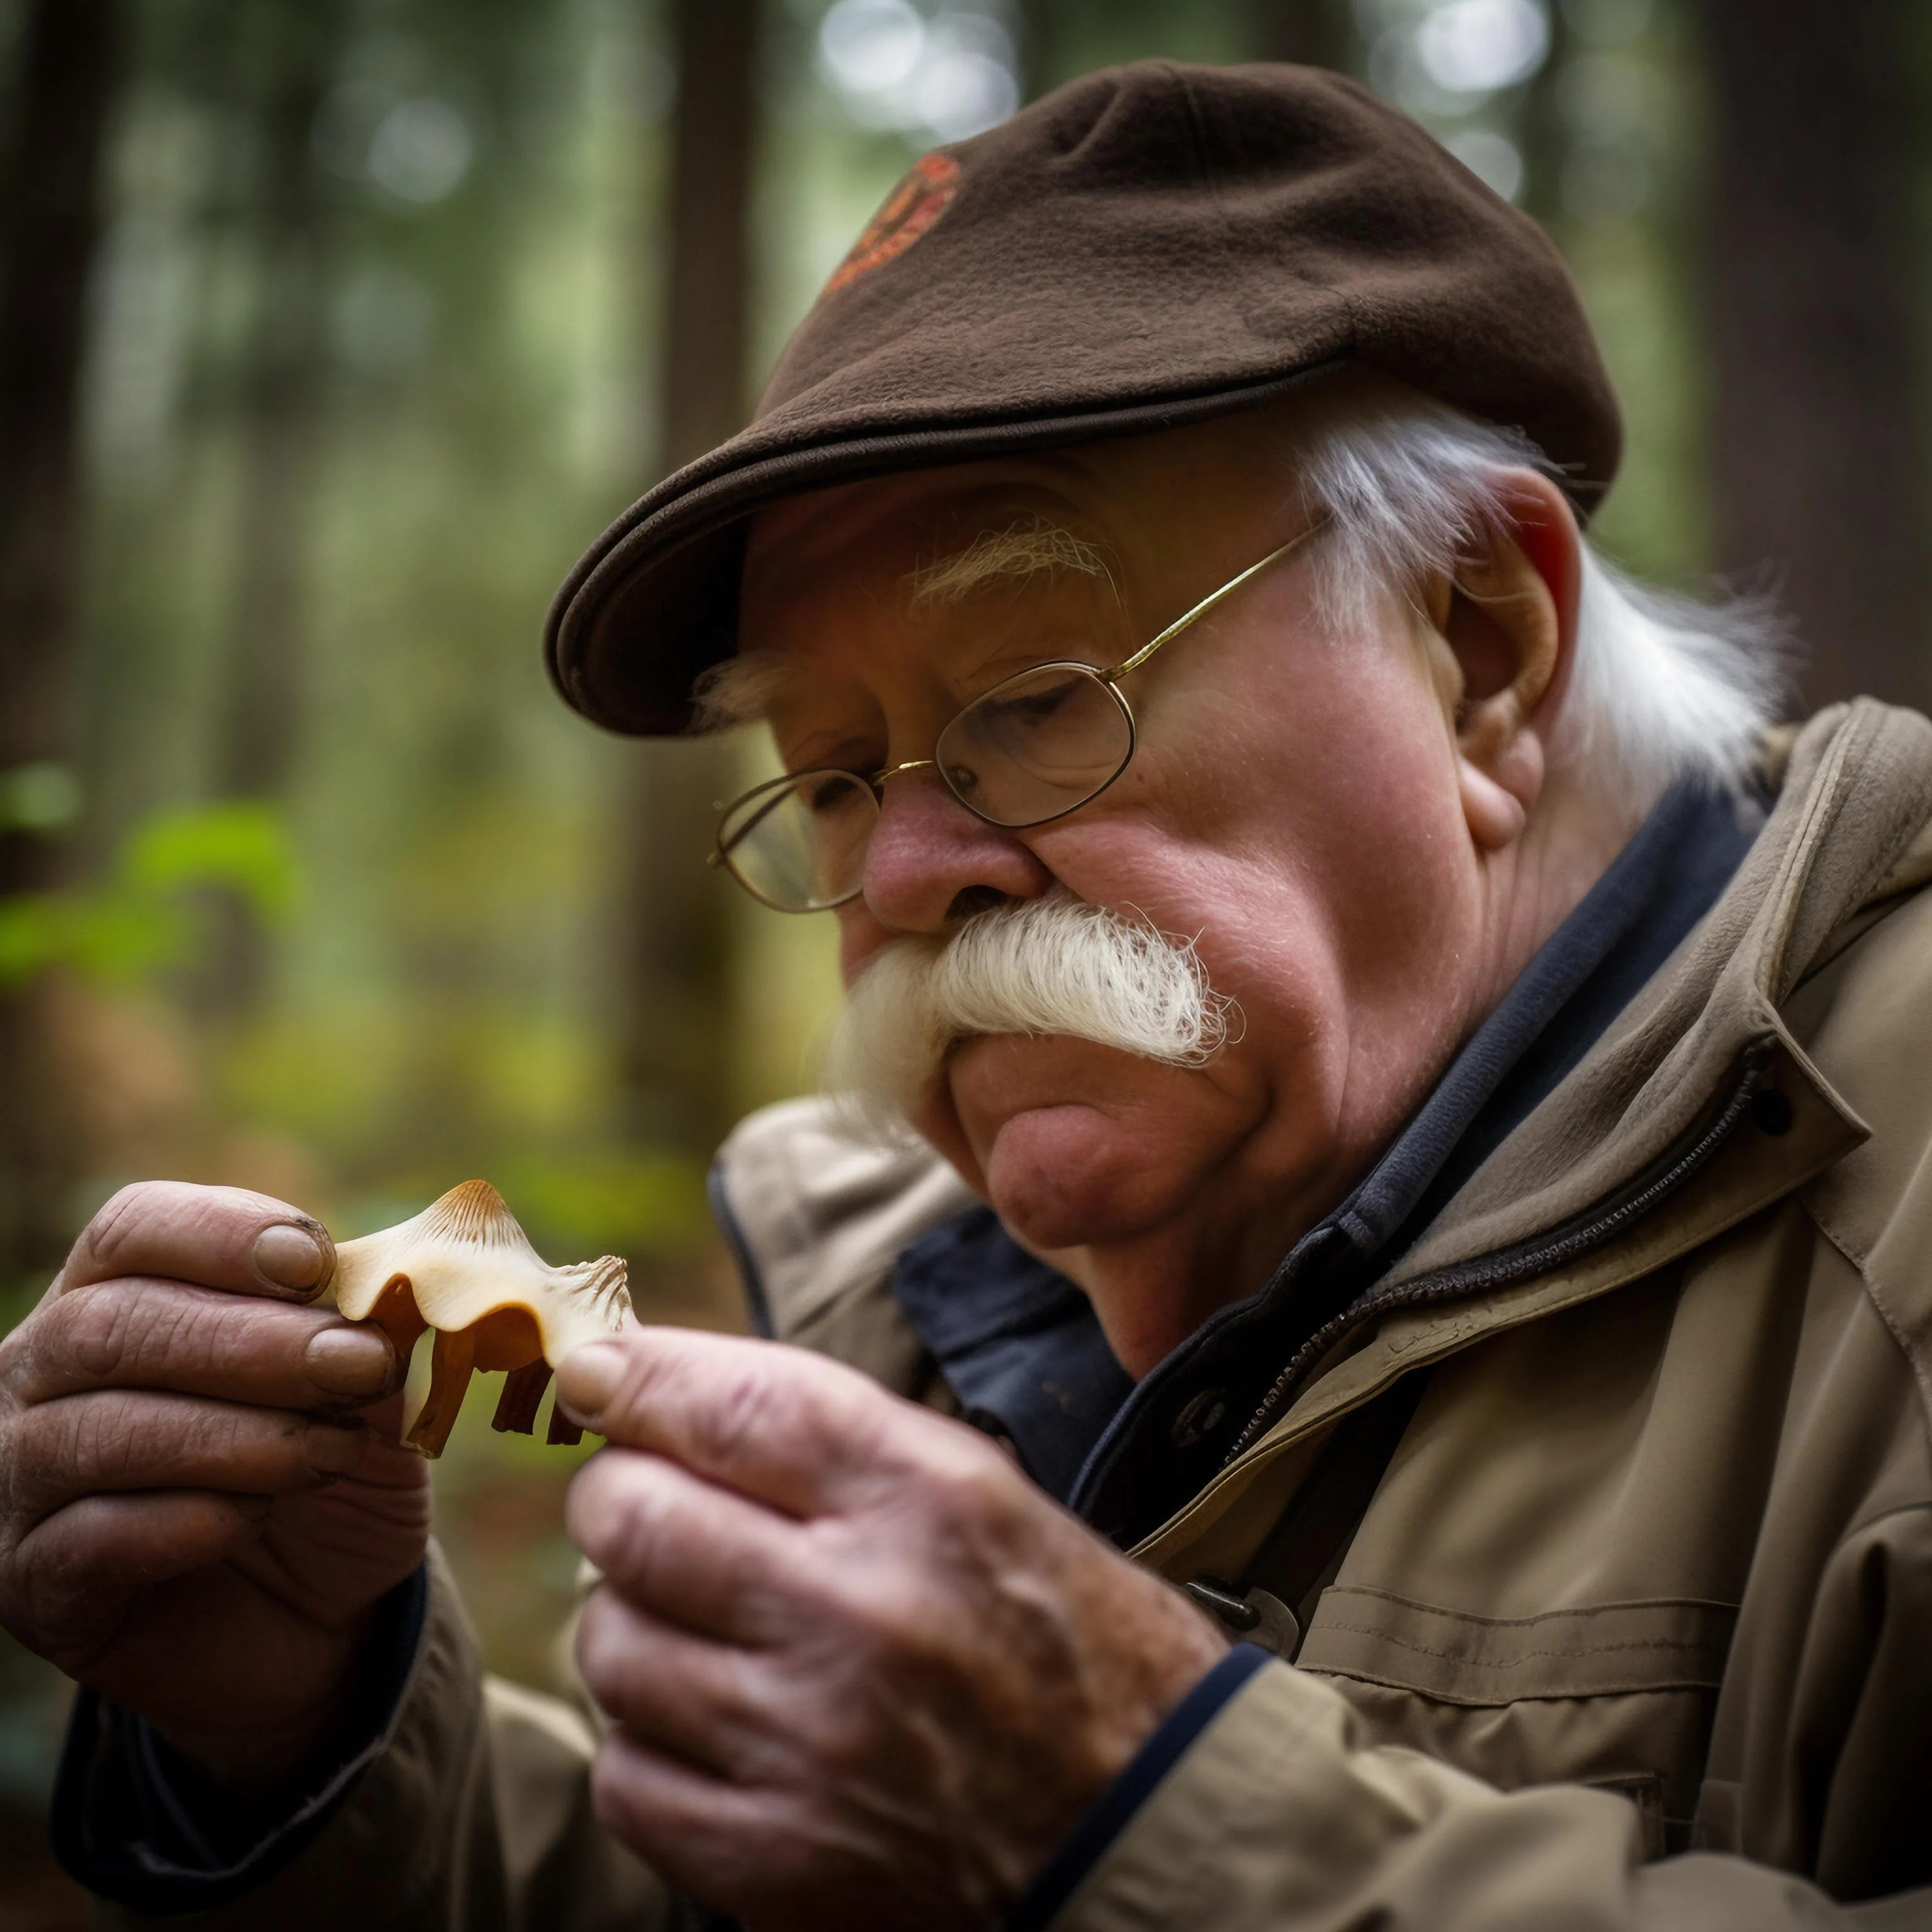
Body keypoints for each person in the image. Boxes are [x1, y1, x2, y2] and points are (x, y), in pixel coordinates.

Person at [4, 58, 1930, 1931]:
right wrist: (303, 1741)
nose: (905, 874)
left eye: (1028, 702)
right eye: (835, 778)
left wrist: (1146, 1827)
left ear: (1478, 643)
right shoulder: (886, 1302)